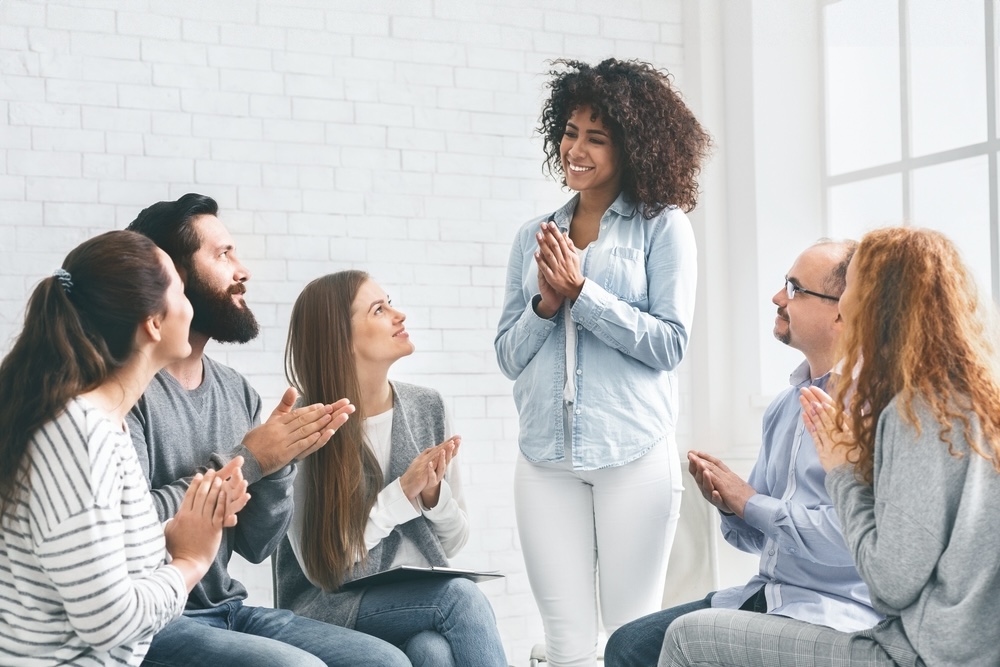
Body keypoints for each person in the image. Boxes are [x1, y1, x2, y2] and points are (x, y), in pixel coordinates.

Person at [661, 226, 1000, 667]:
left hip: (927, 652)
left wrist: (841, 471)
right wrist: (734, 503)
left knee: (686, 636)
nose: (845, 306)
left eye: (854, 288)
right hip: (950, 643)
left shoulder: (914, 412)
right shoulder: (969, 399)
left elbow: (889, 583)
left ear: (880, 303)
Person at [125, 195, 410, 667]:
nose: (243, 270)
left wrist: (279, 465)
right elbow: (132, 524)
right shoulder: (128, 392)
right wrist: (251, 458)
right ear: (172, 274)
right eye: (222, 255)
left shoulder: (235, 390)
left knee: (387, 663)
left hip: (228, 609)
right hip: (158, 619)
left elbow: (258, 546)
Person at [494, 57, 711, 666]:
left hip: (633, 457)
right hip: (544, 460)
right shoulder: (532, 235)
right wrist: (547, 301)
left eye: (597, 136)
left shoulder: (663, 229)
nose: (576, 148)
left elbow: (669, 343)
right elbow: (509, 356)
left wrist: (584, 294)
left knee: (630, 637)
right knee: (564, 643)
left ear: (633, 145)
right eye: (569, 132)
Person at [604, 240, 881, 666]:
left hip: (832, 611)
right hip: (766, 594)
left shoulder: (872, 410)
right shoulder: (785, 407)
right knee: (629, 643)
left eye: (794, 288)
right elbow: (756, 539)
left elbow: (849, 542)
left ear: (841, 311)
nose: (777, 298)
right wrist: (730, 504)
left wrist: (749, 501)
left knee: (657, 643)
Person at [0, 230, 251, 665]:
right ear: (154, 323)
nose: (190, 304)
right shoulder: (79, 434)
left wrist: (170, 540)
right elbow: (109, 622)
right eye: (179, 287)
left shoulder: (101, 425)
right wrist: (190, 561)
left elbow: (93, 562)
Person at [275, 270, 508, 666]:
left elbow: (452, 542)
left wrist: (434, 498)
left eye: (390, 302)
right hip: (328, 606)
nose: (399, 315)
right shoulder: (304, 426)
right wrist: (401, 495)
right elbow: (323, 570)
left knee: (430, 652)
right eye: (379, 309)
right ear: (341, 340)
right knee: (460, 596)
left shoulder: (427, 407)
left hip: (414, 603)